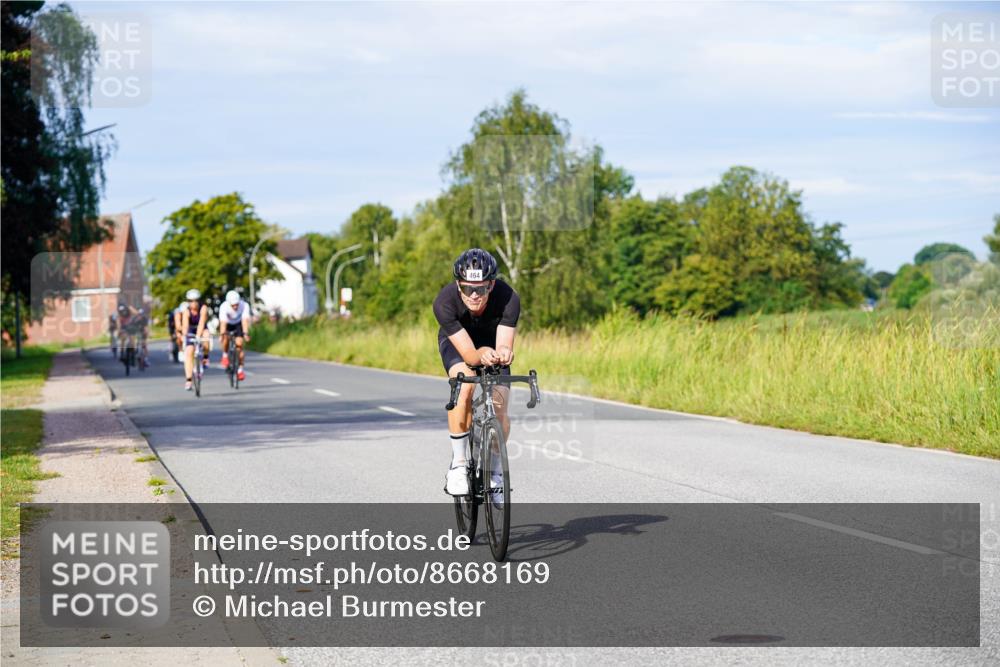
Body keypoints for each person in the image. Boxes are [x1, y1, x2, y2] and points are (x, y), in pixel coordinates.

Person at [433, 248, 520, 497]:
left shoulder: (508, 298)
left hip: (491, 344)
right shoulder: (444, 302)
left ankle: (493, 472)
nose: (473, 295)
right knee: (465, 387)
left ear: (491, 285)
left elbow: (504, 343)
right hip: (459, 345)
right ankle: (459, 465)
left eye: (480, 289)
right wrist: (481, 352)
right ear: (458, 285)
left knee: (500, 403)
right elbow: (471, 357)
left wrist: (504, 352)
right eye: (466, 288)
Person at [219, 290, 251, 381]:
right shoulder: (224, 306)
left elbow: (245, 321)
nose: (235, 306)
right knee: (225, 338)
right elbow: (223, 323)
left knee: (239, 345)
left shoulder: (244, 305)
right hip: (228, 324)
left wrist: (245, 333)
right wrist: (222, 335)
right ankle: (225, 355)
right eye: (233, 305)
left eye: (236, 304)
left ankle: (240, 370)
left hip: (238, 325)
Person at [180, 289, 209, 391]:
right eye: (191, 301)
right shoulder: (186, 310)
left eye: (196, 300)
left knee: (206, 337)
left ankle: (205, 357)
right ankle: (188, 380)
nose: (194, 303)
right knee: (189, 352)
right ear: (188, 302)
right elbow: (185, 325)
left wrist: (198, 337)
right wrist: (185, 336)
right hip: (191, 329)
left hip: (201, 328)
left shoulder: (203, 308)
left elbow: (201, 323)